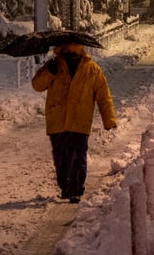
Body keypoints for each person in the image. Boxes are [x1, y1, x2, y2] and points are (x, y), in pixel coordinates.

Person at [31, 41, 117, 203]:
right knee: (63, 156)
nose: (71, 54)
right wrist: (49, 72)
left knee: (76, 155)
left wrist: (109, 119)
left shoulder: (91, 69)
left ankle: (75, 188)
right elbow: (37, 85)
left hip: (78, 120)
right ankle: (66, 186)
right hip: (59, 119)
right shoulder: (54, 66)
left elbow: (103, 96)